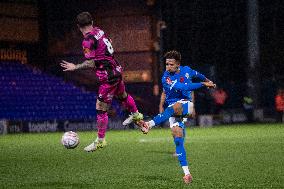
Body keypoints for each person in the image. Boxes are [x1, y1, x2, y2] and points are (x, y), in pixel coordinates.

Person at [60, 12, 143, 152]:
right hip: (116, 68)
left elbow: (91, 61)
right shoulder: (99, 30)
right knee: (122, 95)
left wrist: (76, 67)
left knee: (100, 107)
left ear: (78, 26)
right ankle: (136, 114)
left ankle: (100, 140)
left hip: (108, 76)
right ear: (92, 21)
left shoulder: (87, 41)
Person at [137, 50, 216, 184]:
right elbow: (183, 86)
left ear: (178, 64)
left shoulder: (187, 70)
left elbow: (199, 75)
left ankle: (149, 124)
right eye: (167, 64)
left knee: (176, 107)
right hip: (172, 110)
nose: (168, 67)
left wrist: (208, 81)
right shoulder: (166, 78)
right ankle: (187, 173)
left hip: (186, 105)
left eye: (171, 64)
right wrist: (203, 84)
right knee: (177, 138)